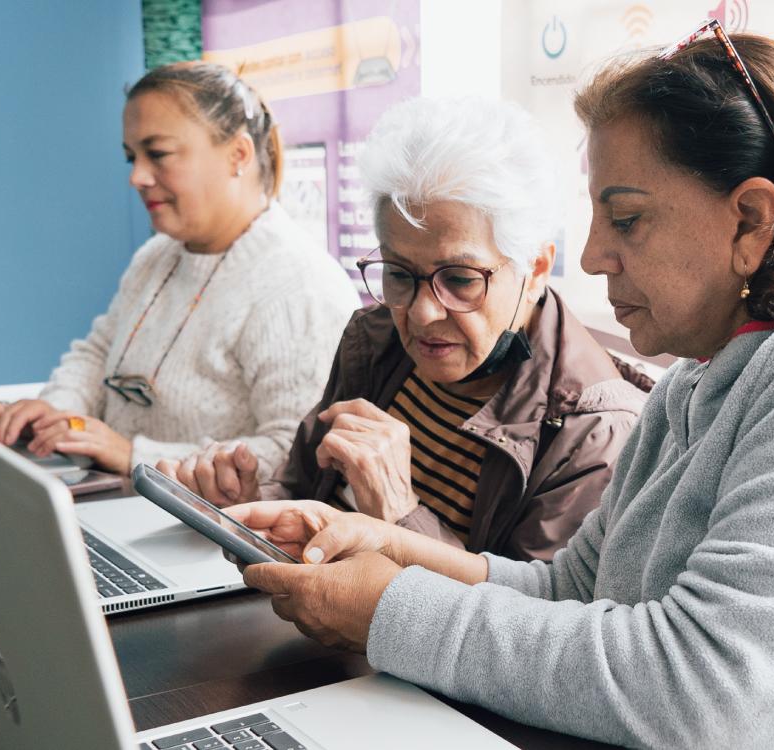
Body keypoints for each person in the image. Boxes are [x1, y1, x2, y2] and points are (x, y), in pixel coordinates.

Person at [220, 24, 774, 749]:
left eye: (626, 218)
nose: (595, 255)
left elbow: (709, 692)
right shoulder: (704, 378)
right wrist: (384, 544)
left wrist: (389, 611)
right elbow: (572, 595)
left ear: (749, 219)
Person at [160, 97, 651, 561]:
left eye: (459, 279)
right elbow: (302, 489)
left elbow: (530, 632)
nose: (421, 314)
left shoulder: (596, 432)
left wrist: (397, 513)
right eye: (398, 274)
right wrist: (249, 504)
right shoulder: (375, 339)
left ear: (537, 267)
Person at [0, 62, 358, 476]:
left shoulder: (300, 287)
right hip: (123, 502)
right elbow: (99, 353)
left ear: (238, 154)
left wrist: (135, 457)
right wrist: (57, 412)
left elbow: (295, 457)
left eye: (157, 154)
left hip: (206, 533)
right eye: (131, 158)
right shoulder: (157, 256)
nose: (137, 177)